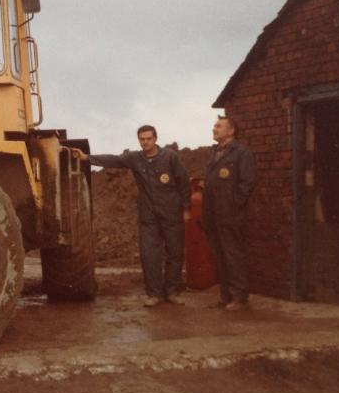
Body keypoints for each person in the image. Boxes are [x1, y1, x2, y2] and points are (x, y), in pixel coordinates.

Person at [83, 125, 191, 307]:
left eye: (148, 138)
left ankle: (172, 292)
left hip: (171, 212)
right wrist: (87, 158)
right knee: (149, 254)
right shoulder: (135, 158)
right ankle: (154, 294)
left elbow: (184, 182)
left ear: (155, 138)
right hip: (148, 215)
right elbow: (114, 160)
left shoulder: (170, 157)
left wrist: (186, 208)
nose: (145, 142)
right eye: (142, 139)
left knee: (175, 252)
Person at [202, 115, 256, 311]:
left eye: (218, 126)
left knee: (233, 256)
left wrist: (234, 206)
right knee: (220, 256)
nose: (214, 129)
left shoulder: (241, 152)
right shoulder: (215, 152)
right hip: (213, 216)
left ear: (231, 131)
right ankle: (226, 297)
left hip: (230, 215)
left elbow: (247, 183)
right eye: (214, 125)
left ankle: (240, 298)